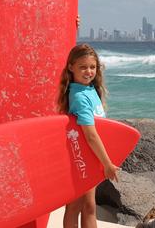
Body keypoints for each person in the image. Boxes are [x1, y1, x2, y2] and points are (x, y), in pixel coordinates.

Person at [57, 44, 119, 228]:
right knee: (78, 206)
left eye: (92, 67)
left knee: (87, 206)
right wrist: (107, 164)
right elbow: (91, 135)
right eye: (83, 67)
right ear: (71, 67)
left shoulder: (90, 90)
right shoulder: (80, 97)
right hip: (80, 157)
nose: (88, 71)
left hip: (89, 157)